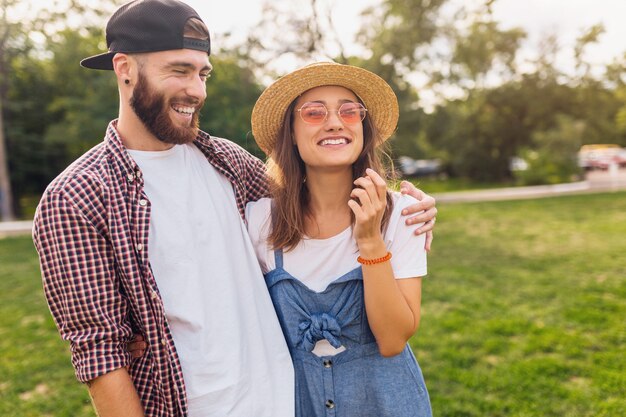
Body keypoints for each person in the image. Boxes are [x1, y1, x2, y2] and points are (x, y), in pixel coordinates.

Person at [31, 1, 438, 416]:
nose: (198, 89)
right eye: (179, 70)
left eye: (203, 73)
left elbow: (311, 200)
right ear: (125, 69)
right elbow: (100, 355)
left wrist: (408, 210)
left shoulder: (227, 162)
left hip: (287, 401)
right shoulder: (78, 196)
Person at [244, 62, 433, 416]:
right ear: (292, 134)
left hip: (388, 404)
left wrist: (371, 242)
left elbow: (393, 341)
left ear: (363, 128)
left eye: (349, 111)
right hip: (299, 404)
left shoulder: (403, 214)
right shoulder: (259, 221)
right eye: (314, 113)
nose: (335, 122)